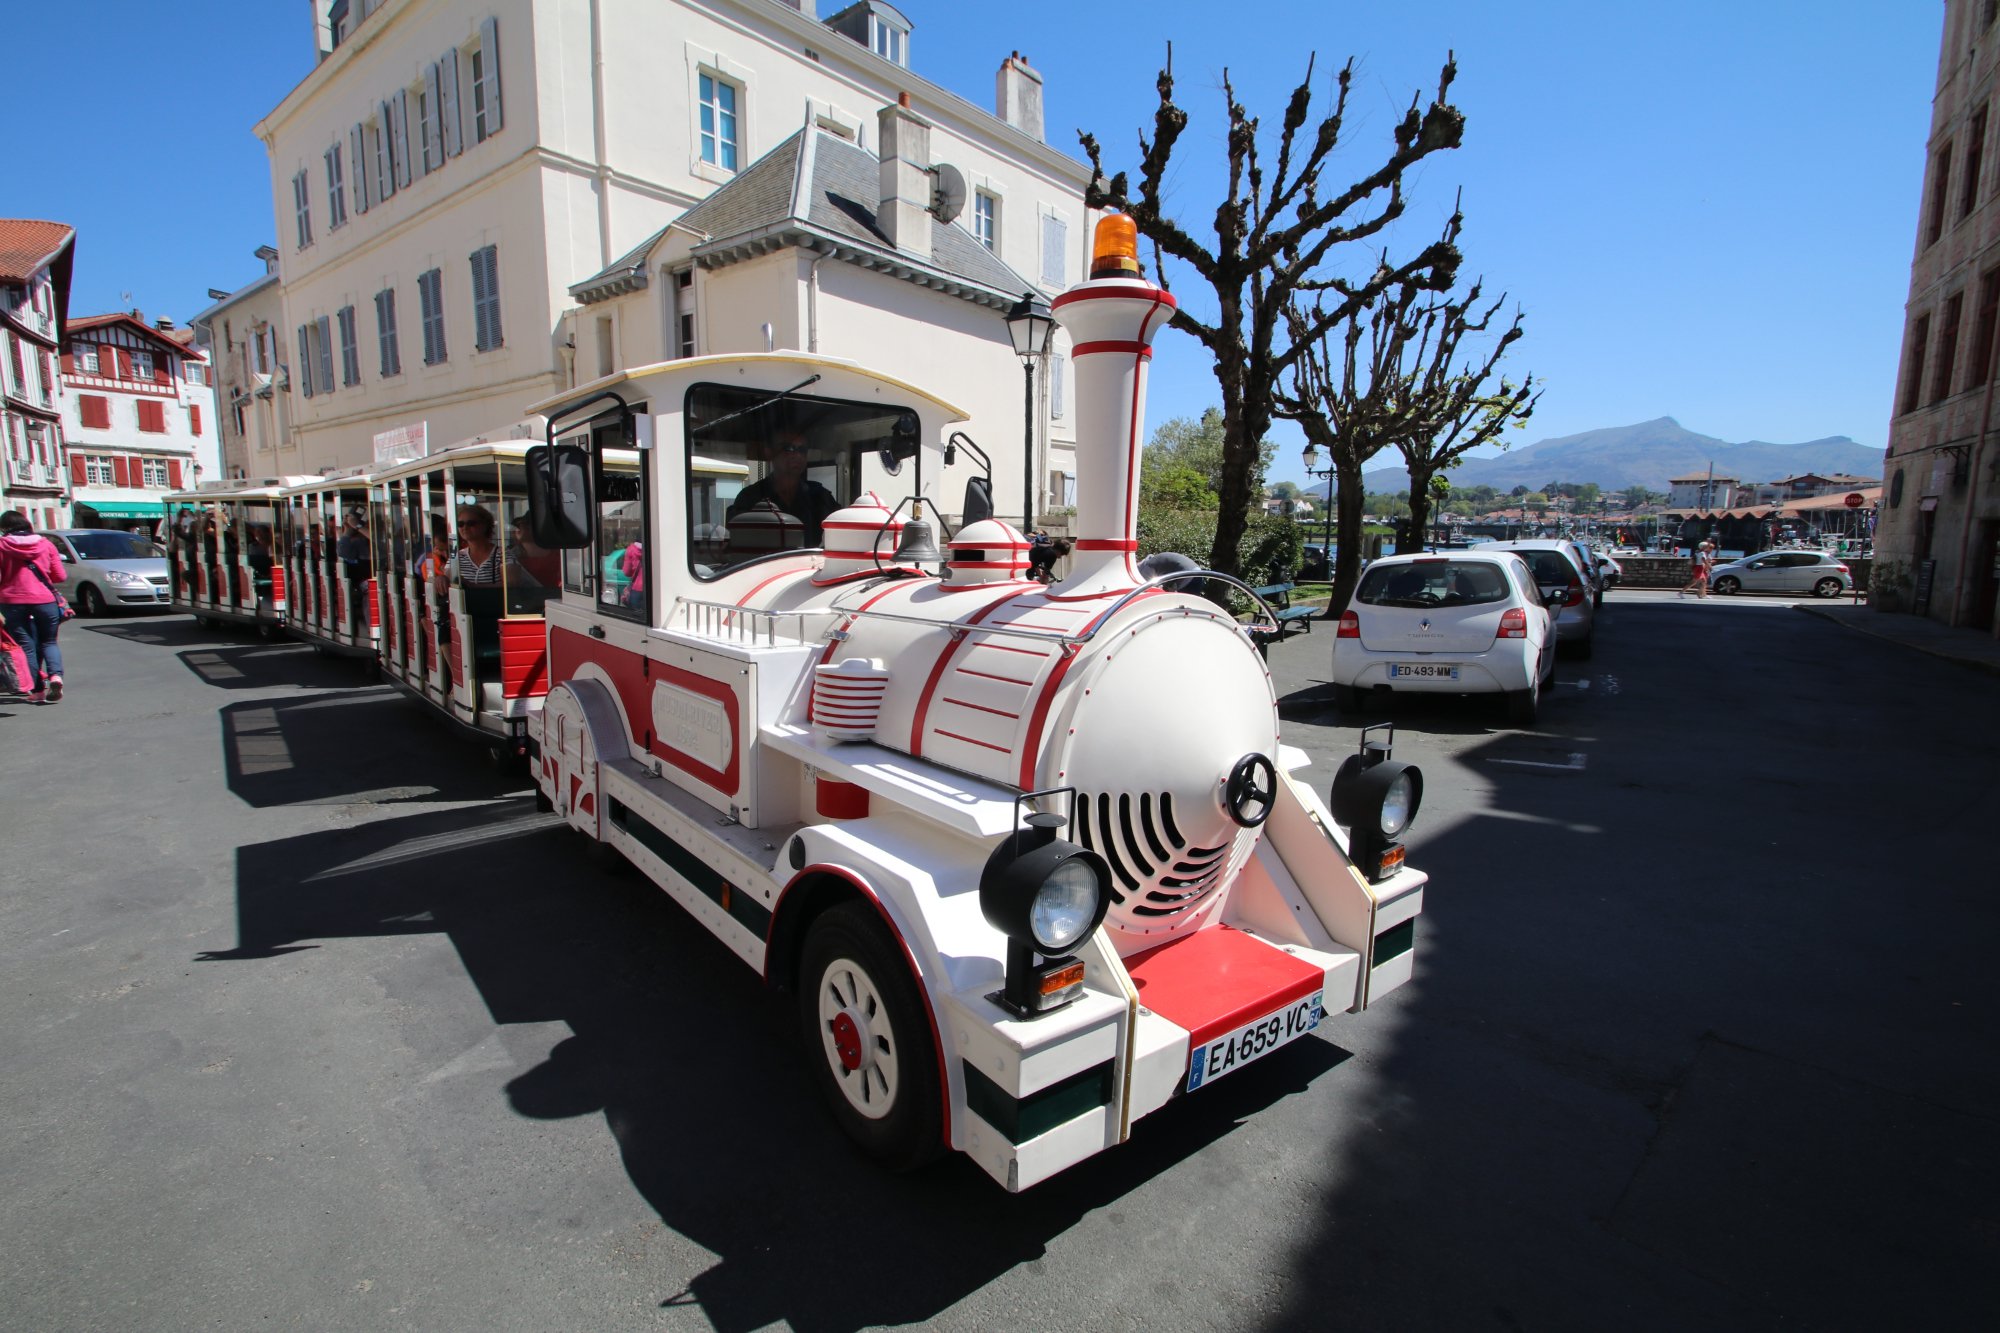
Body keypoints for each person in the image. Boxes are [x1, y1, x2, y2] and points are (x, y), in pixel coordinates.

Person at [0, 510, 70, 703]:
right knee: (49, 641)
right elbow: (60, 576)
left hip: (12, 601)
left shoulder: (1, 545)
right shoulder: (45, 544)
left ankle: (37, 689)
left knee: (26, 646)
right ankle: (56, 675)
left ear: (5, 528)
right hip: (44, 600)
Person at [726, 429, 841, 545]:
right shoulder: (750, 497)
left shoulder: (820, 497)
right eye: (788, 448)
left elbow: (839, 535)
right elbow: (737, 545)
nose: (797, 455)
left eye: (802, 450)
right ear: (769, 452)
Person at [510, 515, 562, 587]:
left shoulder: (558, 552)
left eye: (525, 524)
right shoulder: (511, 555)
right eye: (515, 527)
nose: (519, 528)